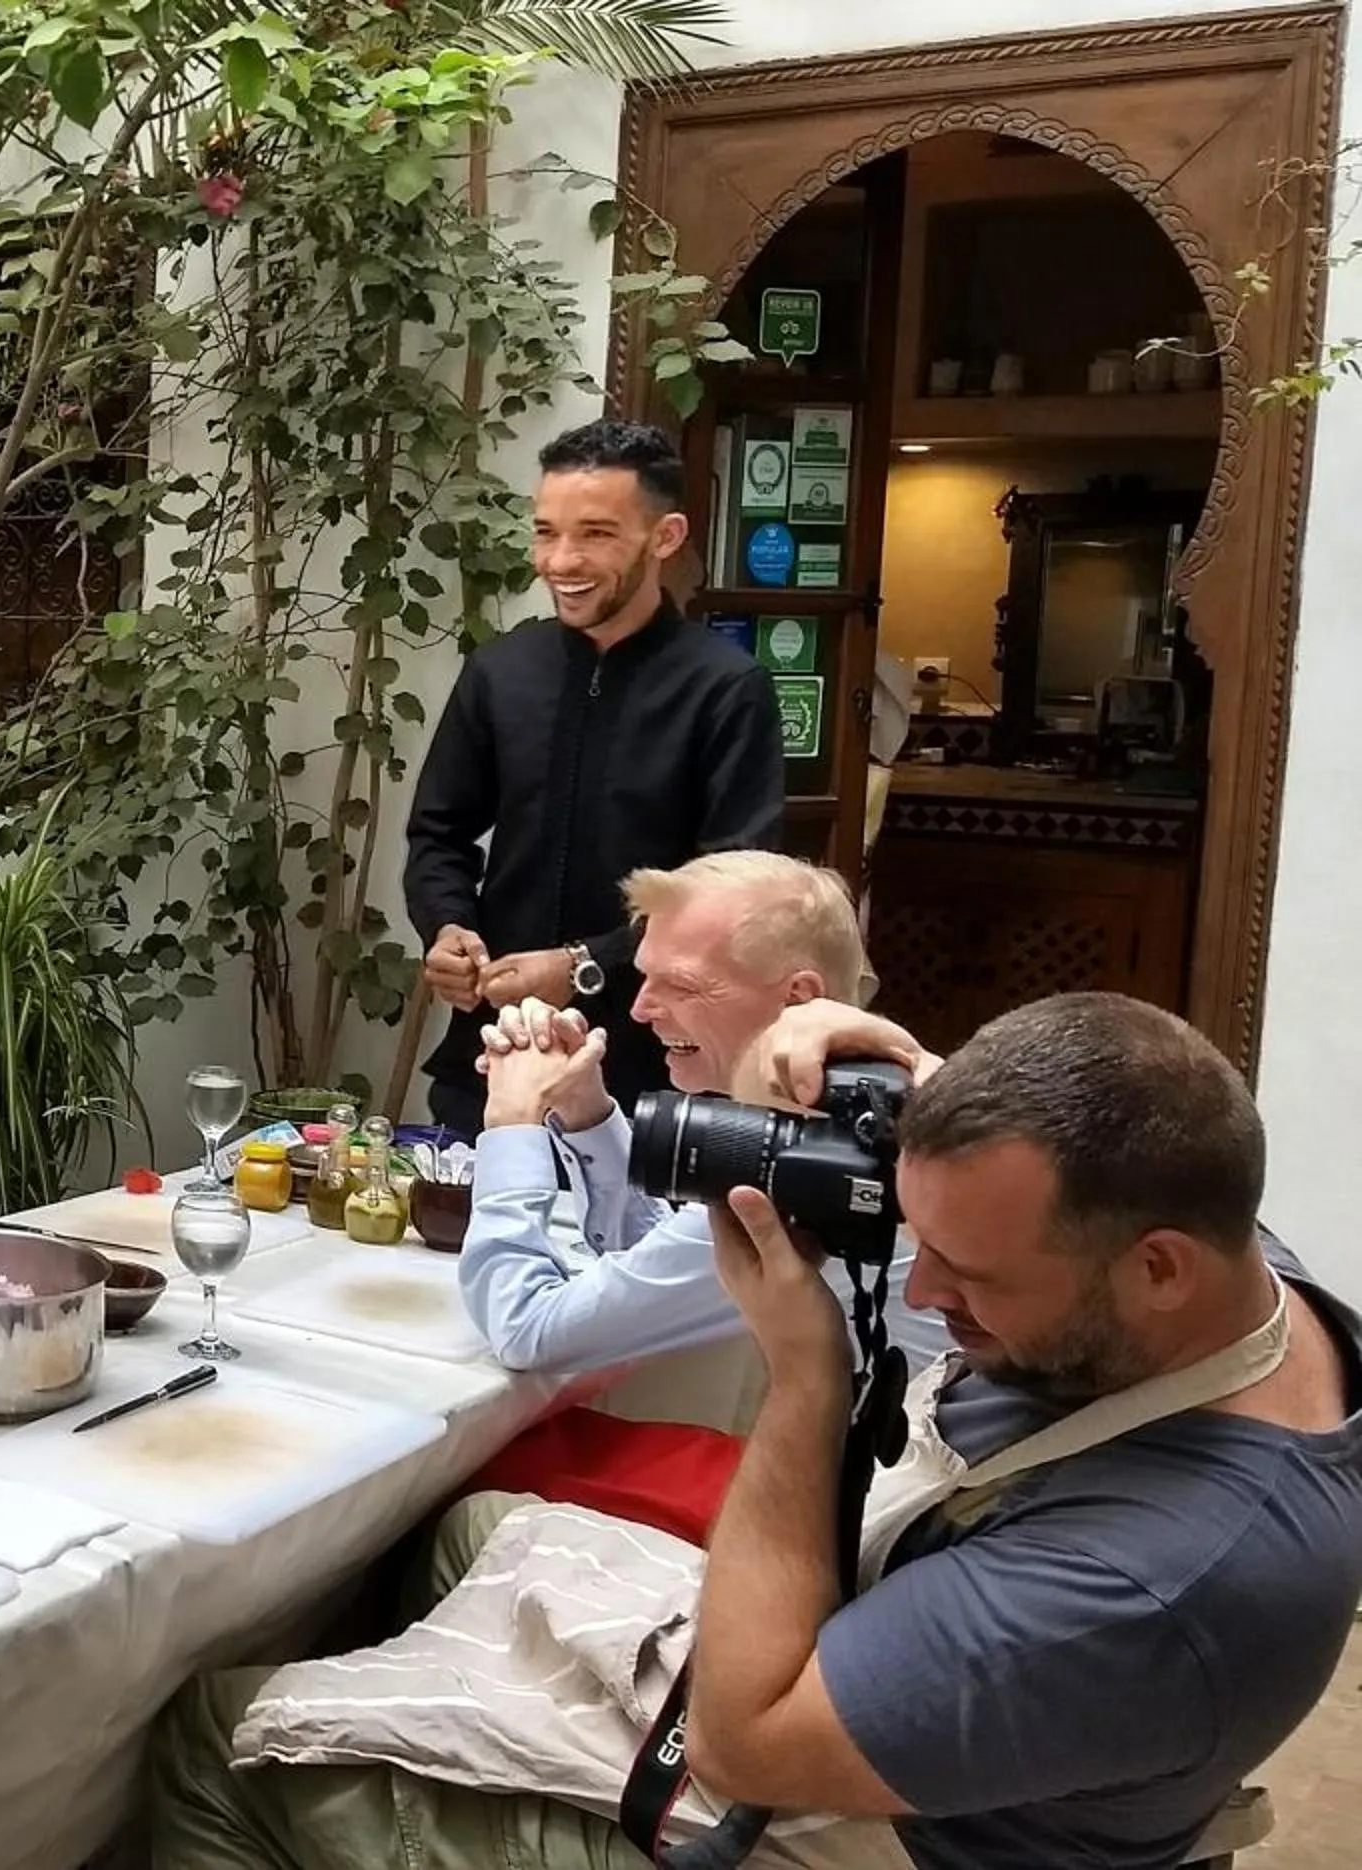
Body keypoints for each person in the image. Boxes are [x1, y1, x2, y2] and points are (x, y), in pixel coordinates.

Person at [148, 992, 1362, 1870]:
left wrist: (803, 1374)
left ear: (1157, 1268)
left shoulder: (1160, 1580)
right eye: (917, 1236)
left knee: (221, 1728)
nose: (927, 1294)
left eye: (974, 1272)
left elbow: (743, 1744)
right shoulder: (1227, 1266)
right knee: (472, 1525)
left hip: (862, 1814)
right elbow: (1059, 1138)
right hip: (932, 1682)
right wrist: (868, 1053)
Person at [404, 417, 786, 1137]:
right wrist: (448, 926)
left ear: (664, 538)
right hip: (493, 1066)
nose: (561, 560)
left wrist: (586, 965)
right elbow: (438, 832)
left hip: (656, 1076)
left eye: (597, 535)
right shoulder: (501, 671)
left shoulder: (726, 689)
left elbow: (737, 889)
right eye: (547, 532)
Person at [457, 850, 950, 1377]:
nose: (640, 1010)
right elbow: (667, 1260)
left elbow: (527, 1331)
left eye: (683, 986)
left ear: (798, 997)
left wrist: (511, 1124)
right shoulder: (856, 1109)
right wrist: (585, 1111)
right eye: (645, 977)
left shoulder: (805, 1163)